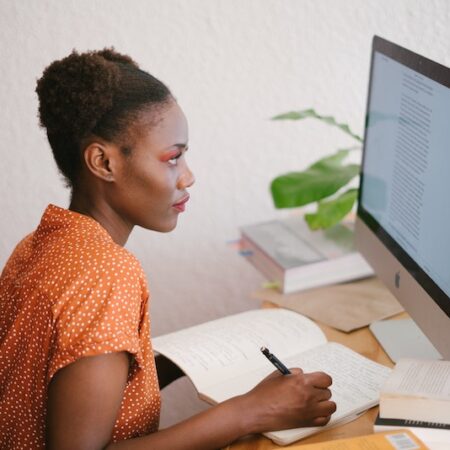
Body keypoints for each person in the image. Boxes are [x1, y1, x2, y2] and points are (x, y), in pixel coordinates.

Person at [0, 49, 336, 450]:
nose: (188, 177)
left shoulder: (41, 243)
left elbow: (57, 378)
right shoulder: (106, 273)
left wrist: (166, 367)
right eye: (173, 158)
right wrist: (250, 411)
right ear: (103, 162)